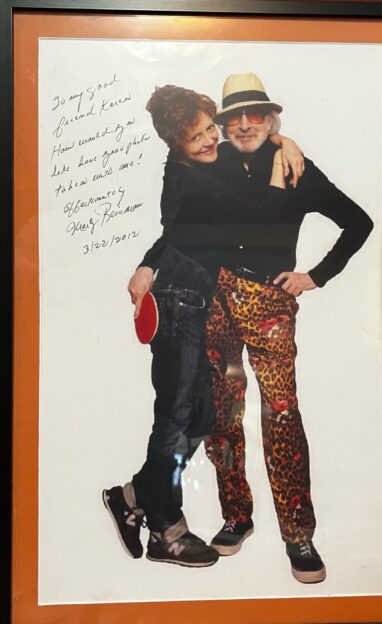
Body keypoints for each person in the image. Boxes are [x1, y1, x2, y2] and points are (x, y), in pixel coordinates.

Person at [103, 83, 304, 568]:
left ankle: (133, 495)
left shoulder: (200, 165)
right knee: (175, 418)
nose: (211, 139)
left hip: (197, 303)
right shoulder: (191, 178)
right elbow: (259, 215)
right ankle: (165, 531)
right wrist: (280, 161)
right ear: (176, 144)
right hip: (177, 305)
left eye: (210, 128)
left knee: (205, 416)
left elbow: (172, 233)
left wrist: (284, 139)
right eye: (196, 137)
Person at [198, 73, 374, 584]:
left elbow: (358, 222)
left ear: (271, 119)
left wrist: (315, 276)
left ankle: (299, 534)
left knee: (281, 415)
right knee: (222, 412)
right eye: (233, 117)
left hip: (269, 301)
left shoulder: (298, 168)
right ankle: (236, 516)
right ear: (222, 124)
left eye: (255, 115)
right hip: (216, 297)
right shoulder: (215, 160)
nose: (243, 124)